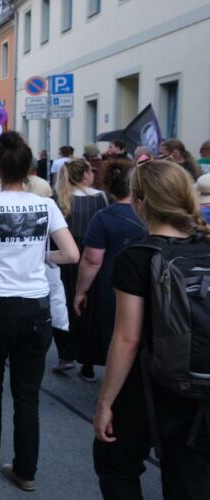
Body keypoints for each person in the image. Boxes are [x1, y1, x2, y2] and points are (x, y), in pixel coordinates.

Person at [0, 131, 79, 492]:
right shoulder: (46, 205)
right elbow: (72, 254)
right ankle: (26, 470)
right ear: (29, 168)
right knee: (28, 393)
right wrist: (42, 256)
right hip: (36, 307)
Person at [93, 159, 210, 500]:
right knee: (190, 481)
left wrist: (105, 403)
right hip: (201, 387)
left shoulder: (136, 256)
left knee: (116, 465)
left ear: (141, 203)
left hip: (145, 388)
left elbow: (127, 340)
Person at [73, 159, 146, 372]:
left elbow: (91, 260)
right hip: (146, 281)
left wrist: (80, 291)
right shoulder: (148, 214)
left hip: (111, 285)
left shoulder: (103, 217)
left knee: (117, 335)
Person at [51, 159, 109, 381]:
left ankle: (66, 354)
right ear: (86, 174)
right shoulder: (100, 197)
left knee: (63, 304)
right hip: (92, 254)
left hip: (65, 259)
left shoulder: (58, 199)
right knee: (89, 308)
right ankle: (88, 361)